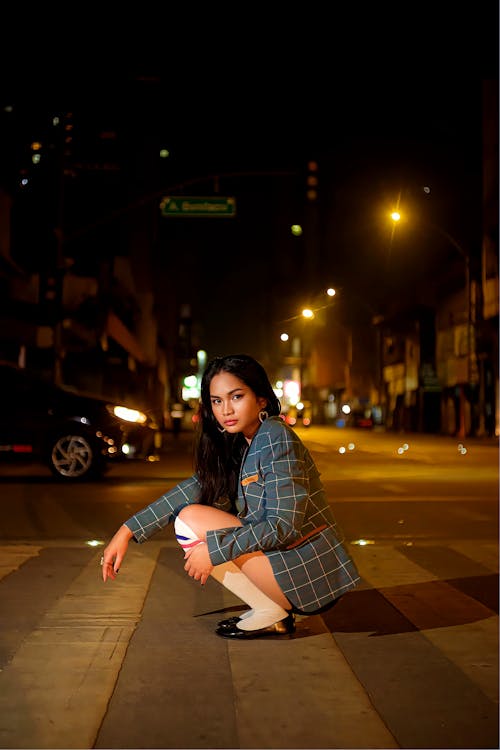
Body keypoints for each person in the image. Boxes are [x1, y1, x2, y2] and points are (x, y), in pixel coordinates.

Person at [101, 354, 360, 639]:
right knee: (188, 516)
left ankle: (270, 609)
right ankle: (269, 610)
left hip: (306, 570)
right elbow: (195, 488)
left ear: (261, 399)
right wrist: (127, 530)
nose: (226, 410)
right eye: (216, 401)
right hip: (284, 561)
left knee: (189, 521)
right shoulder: (244, 441)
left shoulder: (275, 437)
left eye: (236, 396)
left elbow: (284, 525)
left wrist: (214, 550)